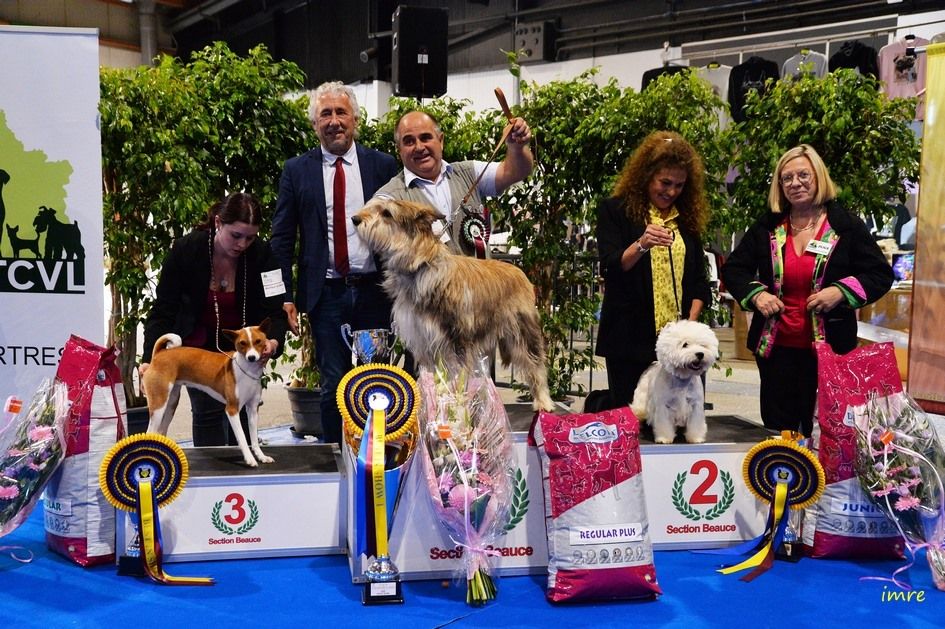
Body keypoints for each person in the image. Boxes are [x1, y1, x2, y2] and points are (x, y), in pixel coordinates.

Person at [721, 144, 893, 436]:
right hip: (776, 349)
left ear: (818, 177)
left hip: (831, 349)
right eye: (786, 178)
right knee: (779, 431)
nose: (795, 183)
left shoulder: (846, 225)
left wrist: (840, 291)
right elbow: (734, 269)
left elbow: (879, 273)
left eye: (803, 175)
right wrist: (758, 295)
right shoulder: (768, 225)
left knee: (829, 429)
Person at [270, 81, 399, 445]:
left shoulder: (382, 165)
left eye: (341, 112)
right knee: (332, 386)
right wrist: (284, 296)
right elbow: (282, 239)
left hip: (377, 291)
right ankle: (333, 461)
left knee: (379, 385)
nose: (334, 120)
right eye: (325, 114)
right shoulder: (296, 170)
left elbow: (398, 227)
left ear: (355, 119)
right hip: (325, 295)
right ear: (315, 124)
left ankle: (380, 460)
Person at [141, 192, 289, 446]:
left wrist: (272, 344)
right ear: (218, 222)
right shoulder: (186, 250)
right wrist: (148, 359)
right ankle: (211, 474)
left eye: (250, 238)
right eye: (236, 235)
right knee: (207, 412)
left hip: (243, 352)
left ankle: (243, 473)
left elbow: (275, 310)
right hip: (197, 347)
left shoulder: (264, 255)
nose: (242, 244)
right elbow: (163, 309)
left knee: (243, 413)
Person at [595, 130, 712, 408]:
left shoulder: (686, 221)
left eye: (680, 185)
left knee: (683, 416)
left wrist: (689, 327)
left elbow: (698, 282)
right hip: (630, 340)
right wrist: (642, 244)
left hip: (680, 345)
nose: (671, 191)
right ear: (646, 175)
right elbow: (611, 266)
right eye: (665, 182)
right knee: (633, 416)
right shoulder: (615, 211)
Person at [374, 109, 533, 258]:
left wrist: (517, 147)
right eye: (409, 141)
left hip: (480, 285)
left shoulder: (470, 172)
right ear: (399, 150)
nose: (419, 147)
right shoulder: (388, 196)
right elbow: (370, 231)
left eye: (425, 137)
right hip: (429, 288)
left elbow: (514, 171)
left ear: (441, 140)